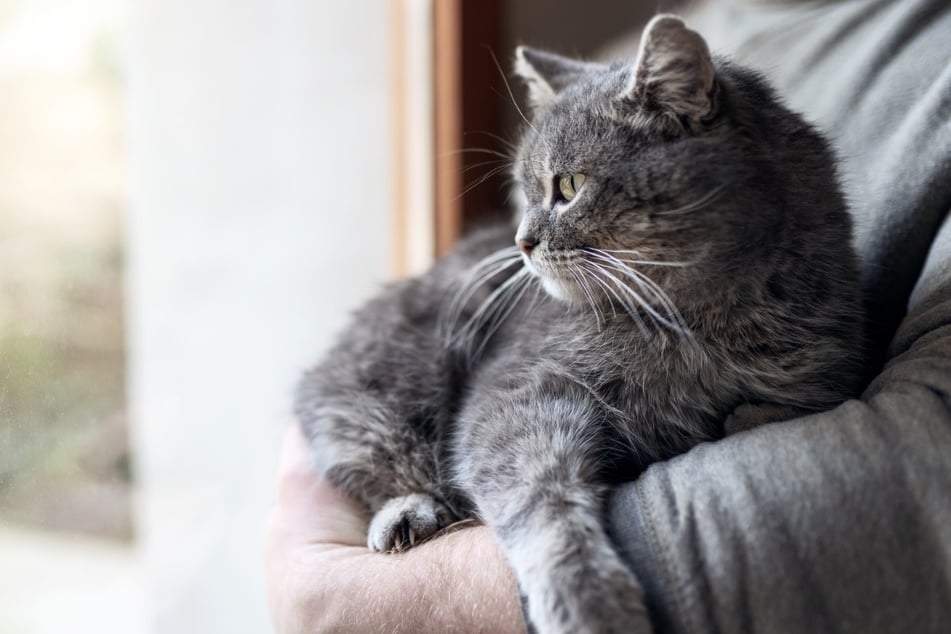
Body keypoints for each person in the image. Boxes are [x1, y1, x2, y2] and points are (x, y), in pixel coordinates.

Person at [266, 0, 951, 631]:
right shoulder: (618, 82)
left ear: (687, 119)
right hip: (415, 431)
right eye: (529, 195)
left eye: (565, 191)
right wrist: (563, 566)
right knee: (437, 313)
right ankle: (403, 492)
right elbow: (504, 422)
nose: (527, 240)